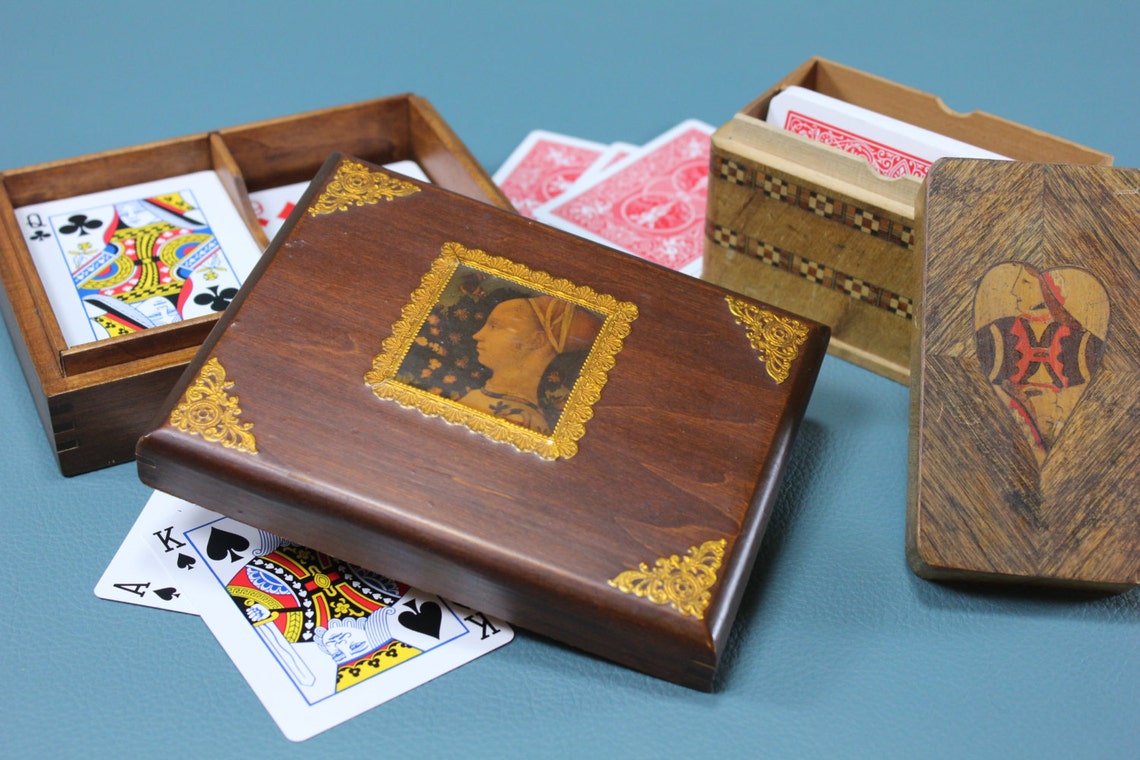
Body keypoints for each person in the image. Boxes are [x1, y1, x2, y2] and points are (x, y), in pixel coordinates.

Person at [460, 294, 601, 435]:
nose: (477, 335)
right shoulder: (481, 397)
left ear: (536, 341)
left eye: (494, 326)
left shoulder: (520, 420)